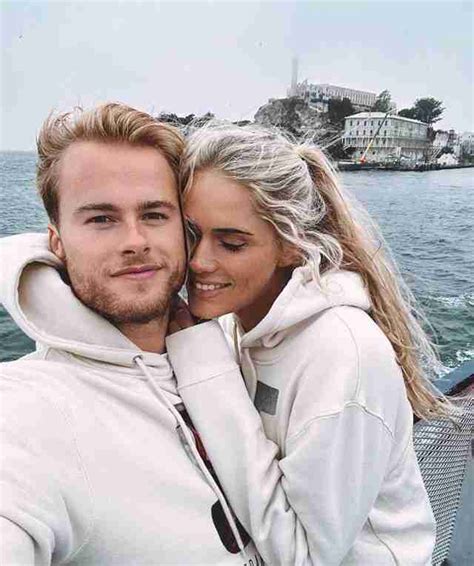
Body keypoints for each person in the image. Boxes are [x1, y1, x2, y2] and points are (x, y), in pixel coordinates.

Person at [164, 122, 447, 565]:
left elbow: (306, 556)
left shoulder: (342, 354)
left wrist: (204, 368)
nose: (199, 262)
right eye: (191, 234)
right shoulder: (244, 323)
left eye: (232, 244)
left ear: (291, 248)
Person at [0, 105, 262, 565]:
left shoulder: (233, 346)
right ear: (57, 242)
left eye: (155, 215)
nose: (135, 241)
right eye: (101, 219)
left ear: (185, 230)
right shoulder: (30, 411)